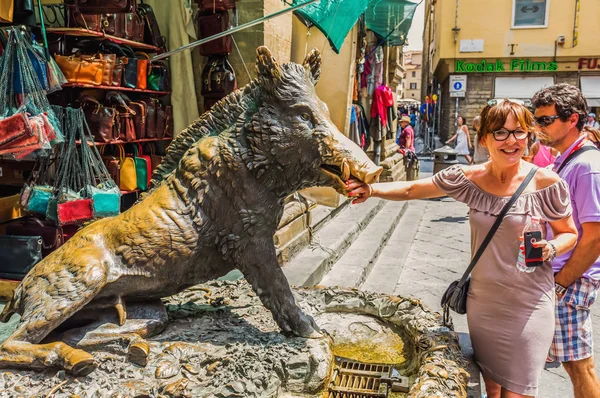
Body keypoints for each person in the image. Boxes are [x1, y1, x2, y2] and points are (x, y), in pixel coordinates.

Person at [347, 99, 578, 398]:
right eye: (501, 133)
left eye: (519, 132)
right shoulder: (468, 178)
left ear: (529, 136)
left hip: (530, 303)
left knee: (517, 392)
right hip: (483, 304)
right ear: (484, 139)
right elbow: (411, 188)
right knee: (491, 388)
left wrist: (551, 246)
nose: (512, 141)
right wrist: (371, 190)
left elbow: (569, 233)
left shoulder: (548, 183)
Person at [532, 84, 600, 398]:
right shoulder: (566, 161)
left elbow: (595, 238)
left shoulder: (587, 167)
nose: (538, 127)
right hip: (559, 276)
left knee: (578, 365)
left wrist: (561, 283)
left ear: (572, 120)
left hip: (570, 279)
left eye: (545, 120)